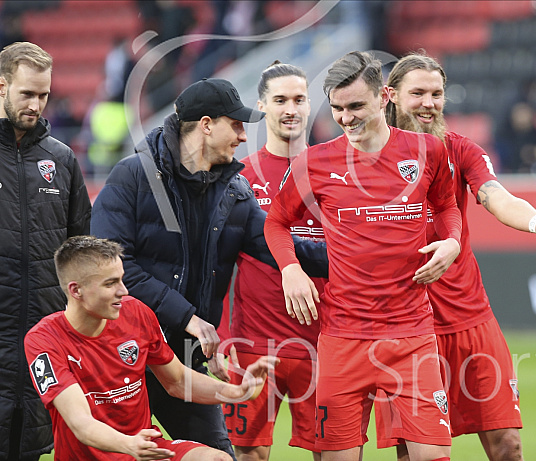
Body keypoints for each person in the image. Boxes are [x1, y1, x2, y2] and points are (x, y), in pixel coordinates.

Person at [91, 77, 327, 456]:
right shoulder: (132, 177)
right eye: (235, 124)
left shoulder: (235, 191)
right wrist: (188, 317)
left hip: (183, 358)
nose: (243, 136)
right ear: (206, 125)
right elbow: (111, 268)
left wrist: (362, 256)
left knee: (217, 454)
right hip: (121, 353)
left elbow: (281, 247)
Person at [378, 52, 536, 461]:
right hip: (407, 326)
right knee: (416, 454)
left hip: (471, 320)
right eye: (417, 93)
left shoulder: (460, 150)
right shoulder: (367, 159)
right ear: (391, 95)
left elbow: (496, 196)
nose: (429, 103)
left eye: (436, 93)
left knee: (508, 445)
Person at [264, 50, 462, 461]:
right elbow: (276, 222)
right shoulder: (314, 162)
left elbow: (446, 206)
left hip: (412, 334)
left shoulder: (428, 150)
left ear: (384, 96)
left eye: (356, 106)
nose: (346, 118)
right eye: (337, 108)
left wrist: (453, 240)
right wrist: (290, 269)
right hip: (343, 336)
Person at [24, 235, 278, 461]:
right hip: (107, 452)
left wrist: (236, 391)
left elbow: (177, 381)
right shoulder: (43, 341)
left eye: (122, 280)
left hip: (146, 449)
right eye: (110, 283)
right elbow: (81, 424)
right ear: (76, 290)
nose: (123, 291)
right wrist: (127, 444)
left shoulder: (136, 312)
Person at [217, 62, 324, 460]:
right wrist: (225, 334)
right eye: (280, 100)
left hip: (323, 342)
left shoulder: (333, 172)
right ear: (262, 106)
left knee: (332, 453)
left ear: (310, 105)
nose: (290, 109)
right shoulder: (238, 176)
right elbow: (220, 262)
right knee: (248, 455)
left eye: (298, 99)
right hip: (253, 342)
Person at [0, 41, 92, 461]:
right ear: (2, 86)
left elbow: (79, 249)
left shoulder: (62, 160)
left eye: (43, 95)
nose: (36, 104)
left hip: (42, 335)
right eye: (26, 93)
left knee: (33, 447)